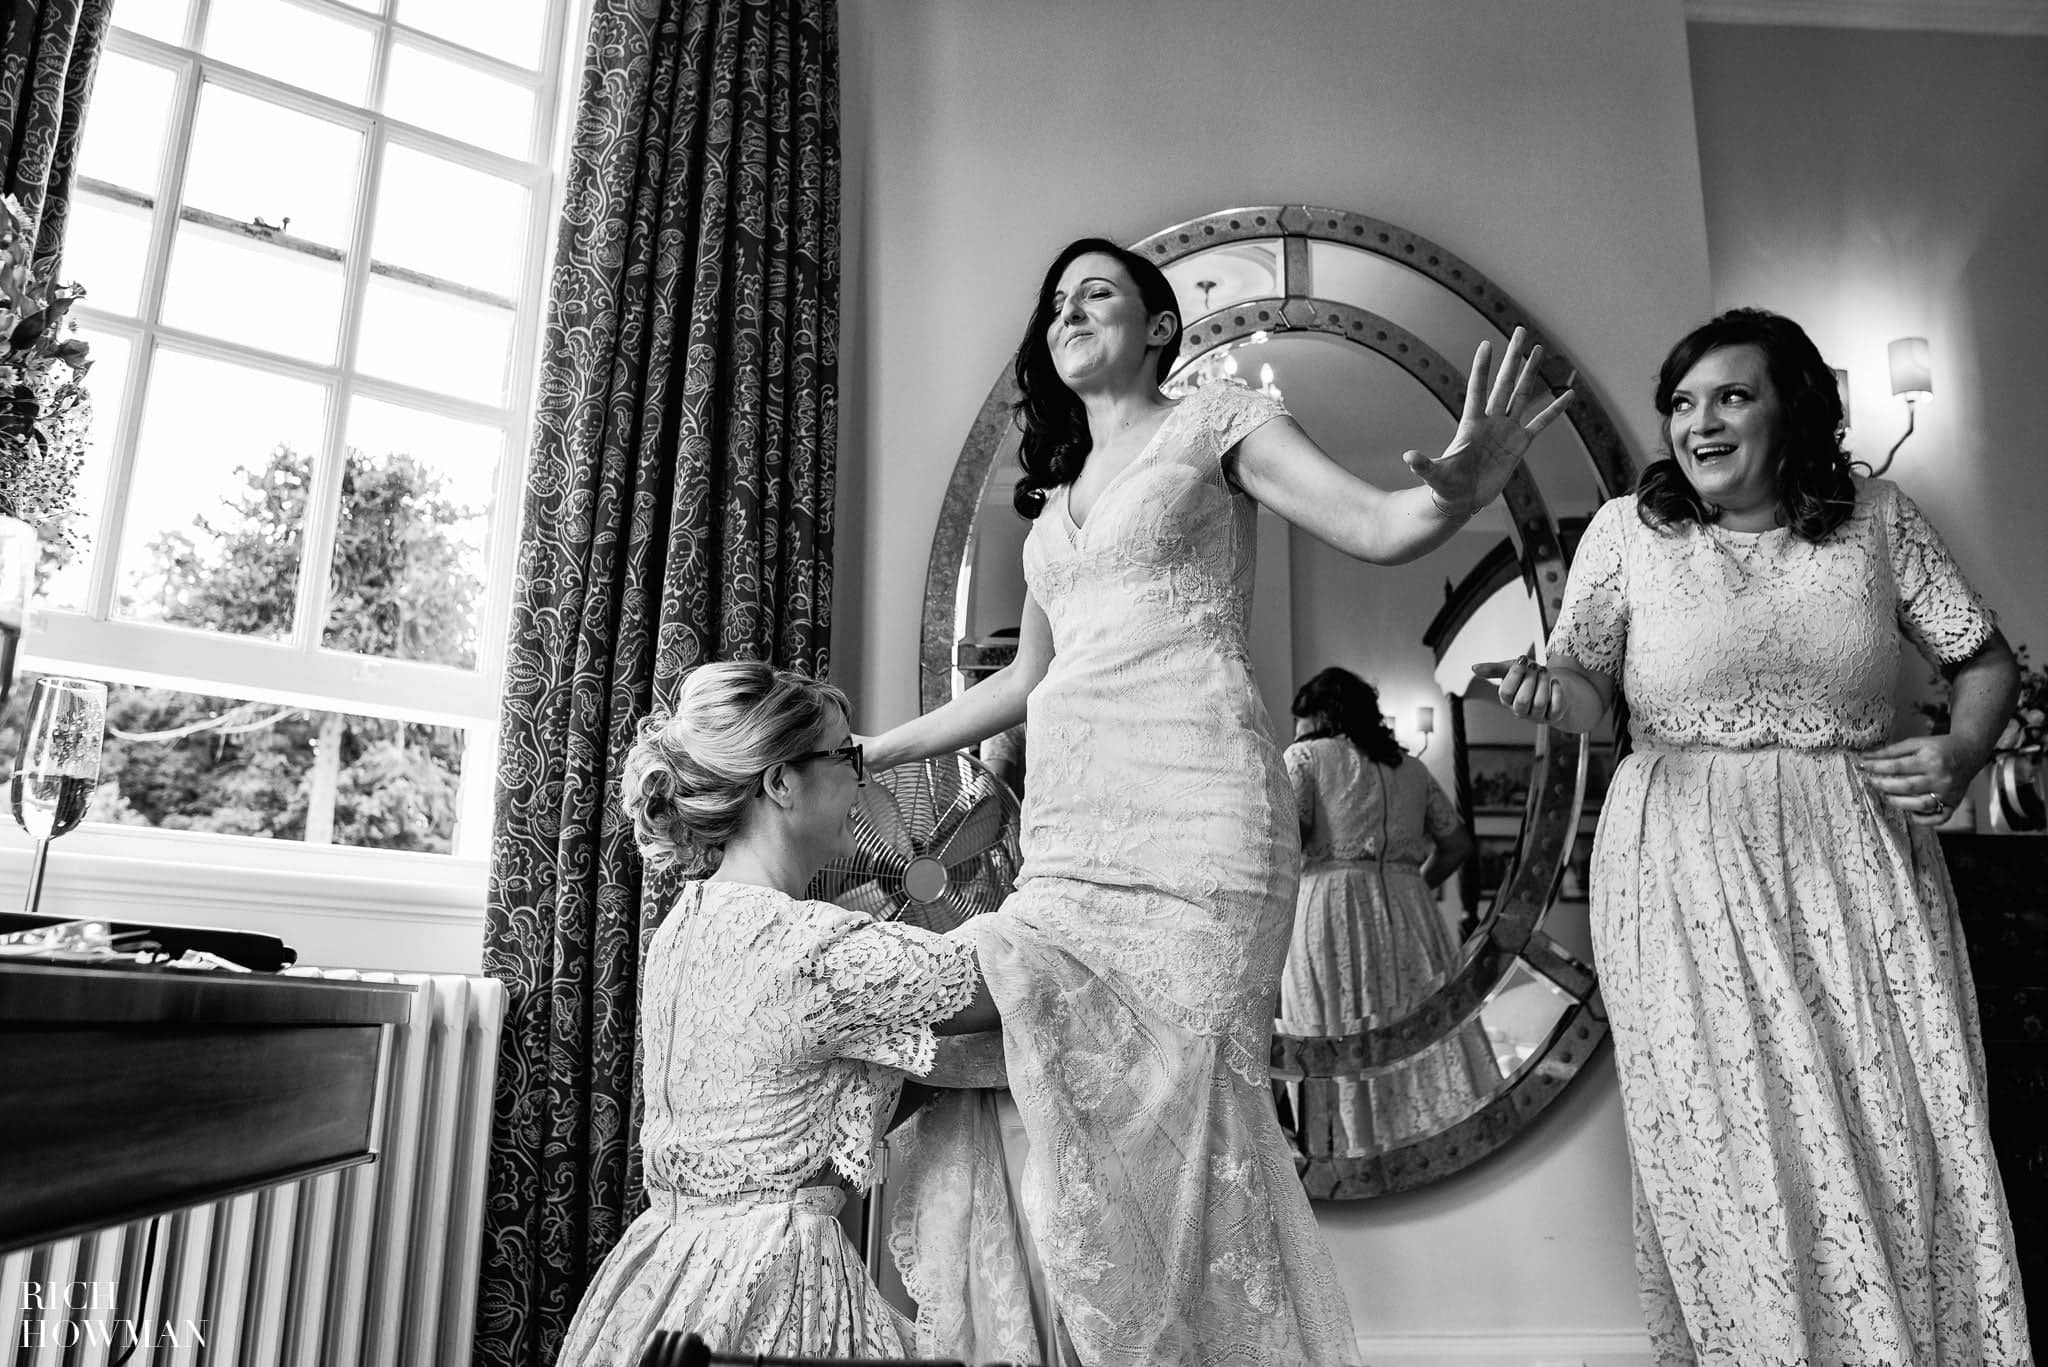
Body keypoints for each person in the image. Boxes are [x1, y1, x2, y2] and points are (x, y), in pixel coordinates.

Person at [869, 236, 1572, 1366]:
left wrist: (1455, 486)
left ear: (1157, 325)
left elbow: (1377, 525)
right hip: (1069, 838)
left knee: (1186, 1120)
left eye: (1096, 292)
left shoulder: (1218, 420)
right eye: (1055, 301)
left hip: (1201, 819)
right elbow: (1020, 680)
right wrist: (874, 744)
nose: (1068, 310)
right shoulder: (1050, 500)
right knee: (1056, 1101)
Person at [1476, 308, 2031, 1365]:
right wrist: (1552, 695)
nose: (1698, 422)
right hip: (1680, 859)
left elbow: (1984, 659)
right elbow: (1591, 691)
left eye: (1730, 395)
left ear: (1795, 407)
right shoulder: (1626, 535)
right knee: (1727, 1138)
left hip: (1854, 856)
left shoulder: (1877, 518)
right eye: (1680, 403)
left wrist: (1960, 751)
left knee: (1892, 1120)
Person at [555, 661, 998, 1366]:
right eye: (846, 756)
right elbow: (1004, 980)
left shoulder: (683, 924)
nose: (865, 779)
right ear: (780, 781)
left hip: (664, 1276)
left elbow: (782, 1112)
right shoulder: (806, 947)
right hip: (768, 1285)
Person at [1279, 667, 1497, 1159]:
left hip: (1330, 913)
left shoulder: (1308, 757)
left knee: (1332, 1025)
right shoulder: (1412, 768)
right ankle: (1432, 1146)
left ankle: (1347, 1152)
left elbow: (1283, 834)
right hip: (1409, 908)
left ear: (1319, 714)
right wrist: (1414, 882)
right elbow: (1458, 843)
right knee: (1417, 1026)